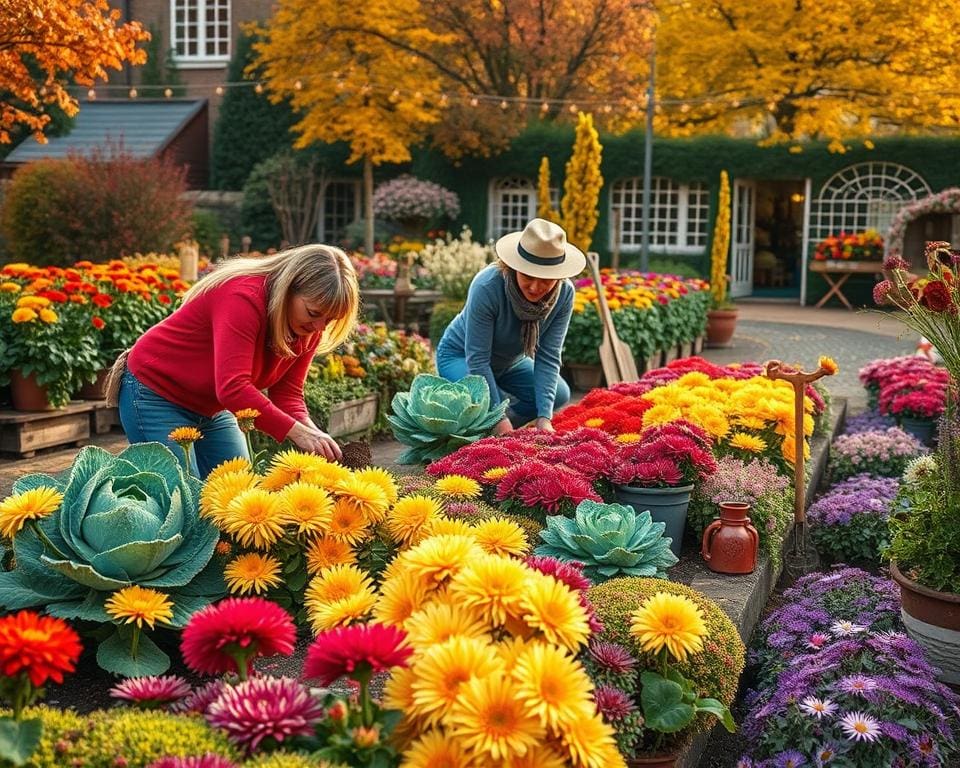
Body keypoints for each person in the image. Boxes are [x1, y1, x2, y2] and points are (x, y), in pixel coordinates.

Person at [110, 244, 360, 476]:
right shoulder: (243, 298)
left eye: (330, 320)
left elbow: (288, 395)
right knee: (183, 498)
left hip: (212, 407)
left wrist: (314, 435)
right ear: (288, 289)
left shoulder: (309, 328)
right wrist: (297, 432)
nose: (319, 327)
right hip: (156, 393)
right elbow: (233, 389)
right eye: (313, 313)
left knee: (238, 493)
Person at [435, 217, 584, 435]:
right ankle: (483, 424)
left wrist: (544, 419)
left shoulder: (565, 294)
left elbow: (548, 356)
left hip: (511, 362)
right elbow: (477, 359)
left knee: (559, 395)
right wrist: (498, 416)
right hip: (460, 356)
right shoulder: (487, 285)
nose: (535, 287)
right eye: (528, 276)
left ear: (558, 276)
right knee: (478, 406)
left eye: (545, 279)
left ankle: (494, 426)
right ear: (514, 267)